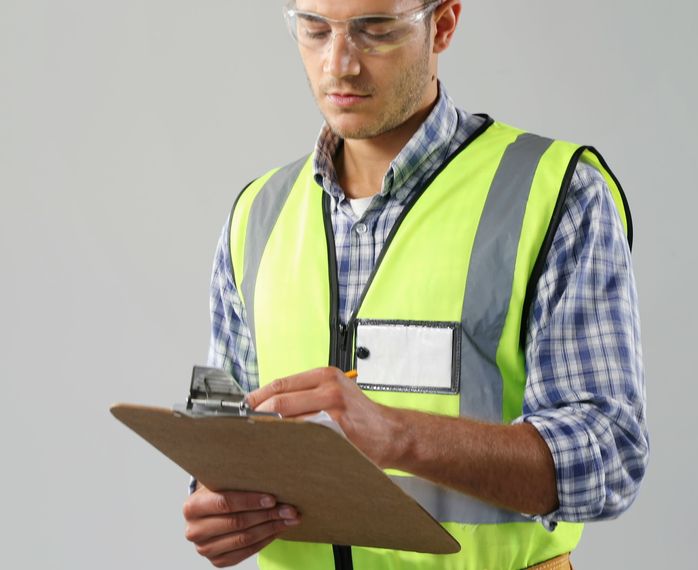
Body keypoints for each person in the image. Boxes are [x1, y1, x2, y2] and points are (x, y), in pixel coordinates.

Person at [180, 0, 648, 568]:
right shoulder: (256, 215)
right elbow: (220, 441)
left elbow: (609, 459)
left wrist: (398, 436)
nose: (340, 64)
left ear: (443, 24)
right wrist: (217, 506)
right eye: (315, 30)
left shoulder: (555, 195)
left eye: (374, 30)